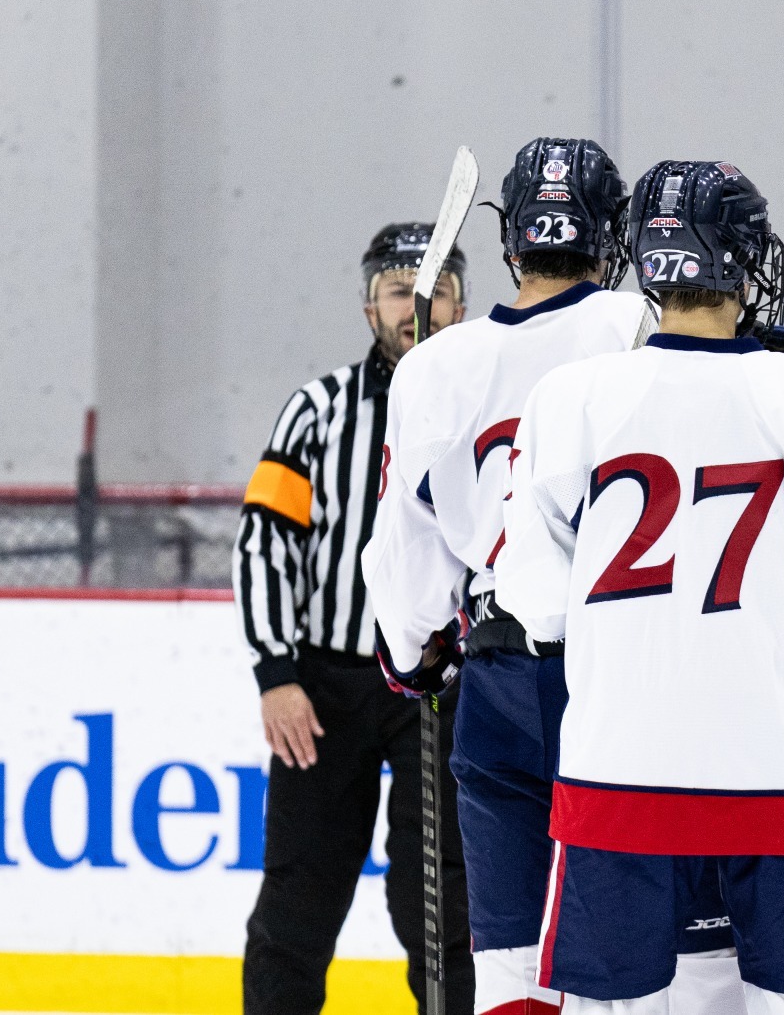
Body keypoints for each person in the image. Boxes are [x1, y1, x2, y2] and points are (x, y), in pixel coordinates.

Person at [498, 161, 784, 1015]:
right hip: (780, 767)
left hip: (616, 768)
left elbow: (534, 595)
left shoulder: (571, 395)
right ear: (746, 259)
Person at [361, 138, 711, 1015]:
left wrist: (413, 652)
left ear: (511, 237)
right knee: (631, 963)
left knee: (513, 966)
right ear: (613, 235)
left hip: (499, 674)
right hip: (628, 671)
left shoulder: (433, 366)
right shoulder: (646, 327)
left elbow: (405, 552)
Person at [235, 222, 473, 1014]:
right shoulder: (318, 412)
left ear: (462, 303)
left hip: (439, 690)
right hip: (326, 687)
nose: (419, 307)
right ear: (370, 304)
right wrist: (276, 675)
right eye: (402, 290)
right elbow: (266, 546)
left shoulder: (483, 410)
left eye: (435, 291)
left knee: (437, 906)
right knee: (297, 902)